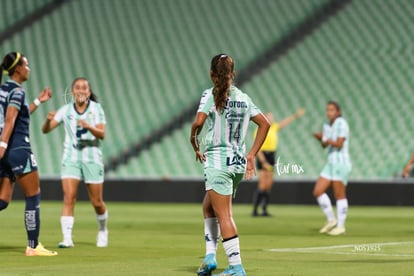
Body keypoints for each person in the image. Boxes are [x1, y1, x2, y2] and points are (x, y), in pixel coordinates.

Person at [190, 54, 270, 276]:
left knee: (224, 215)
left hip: (218, 163)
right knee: (208, 207)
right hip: (236, 163)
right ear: (233, 74)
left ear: (212, 74)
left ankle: (236, 266)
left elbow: (198, 123)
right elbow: (264, 124)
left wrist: (194, 141)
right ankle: (210, 257)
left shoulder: (210, 94)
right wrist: (252, 154)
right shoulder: (243, 98)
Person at [0, 52, 58, 256]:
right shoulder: (17, 92)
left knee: (2, 201)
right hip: (17, 148)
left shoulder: (4, 90)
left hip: (6, 151)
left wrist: (38, 101)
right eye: (26, 64)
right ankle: (33, 246)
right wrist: (2, 145)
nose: (29, 68)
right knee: (33, 195)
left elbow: (18, 115)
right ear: (18, 69)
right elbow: (10, 120)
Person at [42, 77, 108, 248]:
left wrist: (89, 126)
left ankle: (102, 229)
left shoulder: (96, 108)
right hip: (71, 158)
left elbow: (102, 133)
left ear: (89, 91)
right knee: (69, 198)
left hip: (92, 158)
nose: (81, 90)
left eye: (84, 88)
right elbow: (46, 130)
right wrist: (48, 120)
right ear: (72, 92)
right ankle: (67, 238)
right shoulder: (65, 110)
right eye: (77, 88)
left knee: (97, 202)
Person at [252, 109, 305, 217]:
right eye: (269, 117)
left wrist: (295, 115)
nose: (271, 119)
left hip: (271, 155)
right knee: (262, 185)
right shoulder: (260, 129)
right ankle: (255, 210)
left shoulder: (273, 128)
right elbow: (257, 148)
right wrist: (263, 162)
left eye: (272, 117)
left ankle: (264, 210)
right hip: (263, 156)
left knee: (268, 185)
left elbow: (284, 123)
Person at [313, 101, 351, 236]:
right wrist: (320, 139)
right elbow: (325, 145)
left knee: (339, 194)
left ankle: (341, 226)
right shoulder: (327, 125)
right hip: (330, 162)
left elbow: (339, 144)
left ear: (338, 112)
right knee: (318, 191)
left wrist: (323, 138)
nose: (329, 113)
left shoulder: (341, 123)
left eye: (332, 110)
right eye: (327, 110)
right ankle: (331, 220)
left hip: (340, 162)